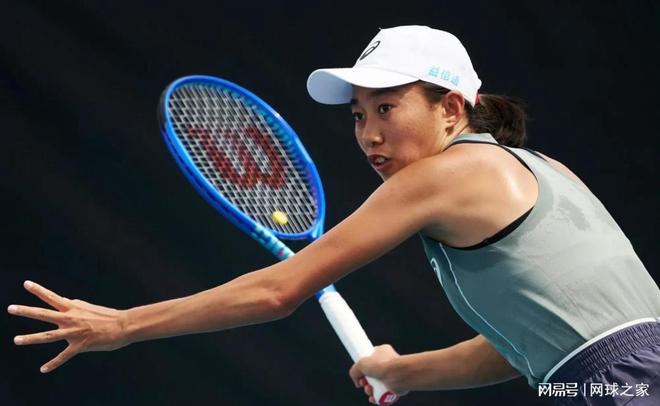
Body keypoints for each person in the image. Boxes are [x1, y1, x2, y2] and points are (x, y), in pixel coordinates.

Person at [8, 25, 660, 405]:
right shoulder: (546, 169)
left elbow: (277, 291)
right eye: (358, 114)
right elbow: (532, 346)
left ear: (451, 109)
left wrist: (124, 325)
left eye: (387, 108)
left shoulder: (440, 175)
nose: (369, 134)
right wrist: (405, 371)